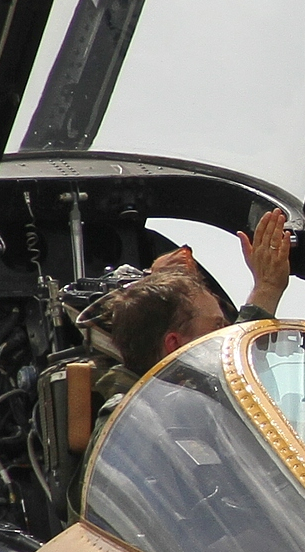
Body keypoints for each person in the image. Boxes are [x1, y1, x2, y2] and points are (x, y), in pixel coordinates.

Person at [66, 208, 292, 520]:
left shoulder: (187, 412)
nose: (225, 339)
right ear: (174, 344)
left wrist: (267, 290)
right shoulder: (133, 427)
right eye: (215, 328)